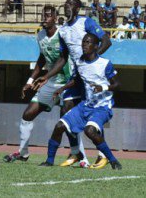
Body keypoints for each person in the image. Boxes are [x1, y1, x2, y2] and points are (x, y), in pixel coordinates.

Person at [33, 0, 112, 168]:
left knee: (95, 114)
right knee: (65, 110)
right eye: (66, 5)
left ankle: (102, 155)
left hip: (92, 76)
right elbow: (63, 58)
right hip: (76, 77)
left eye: (71, 5)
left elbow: (107, 41)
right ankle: (76, 152)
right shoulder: (62, 31)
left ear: (77, 9)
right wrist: (46, 76)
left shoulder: (87, 22)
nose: (67, 8)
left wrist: (91, 61)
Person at [40, 34, 122, 170]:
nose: (84, 44)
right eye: (83, 41)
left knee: (89, 130)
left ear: (96, 46)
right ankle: (49, 161)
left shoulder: (105, 64)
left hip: (102, 107)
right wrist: (61, 89)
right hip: (86, 105)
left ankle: (113, 160)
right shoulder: (80, 62)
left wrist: (103, 87)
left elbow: (118, 84)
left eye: (88, 42)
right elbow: (77, 80)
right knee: (59, 126)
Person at [4, 6, 72, 163]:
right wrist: (29, 81)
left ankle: (77, 154)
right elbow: (42, 58)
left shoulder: (62, 34)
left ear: (55, 18)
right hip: (50, 81)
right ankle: (23, 152)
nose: (44, 18)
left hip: (67, 82)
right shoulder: (40, 35)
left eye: (48, 16)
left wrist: (45, 76)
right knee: (27, 114)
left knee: (67, 120)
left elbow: (63, 59)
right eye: (43, 15)